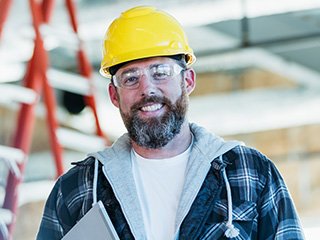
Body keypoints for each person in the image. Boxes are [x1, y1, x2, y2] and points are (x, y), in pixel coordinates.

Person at [37, 5, 304, 240]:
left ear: (187, 81)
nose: (147, 89)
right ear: (114, 95)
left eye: (160, 72)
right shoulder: (78, 188)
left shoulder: (250, 173)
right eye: (130, 78)